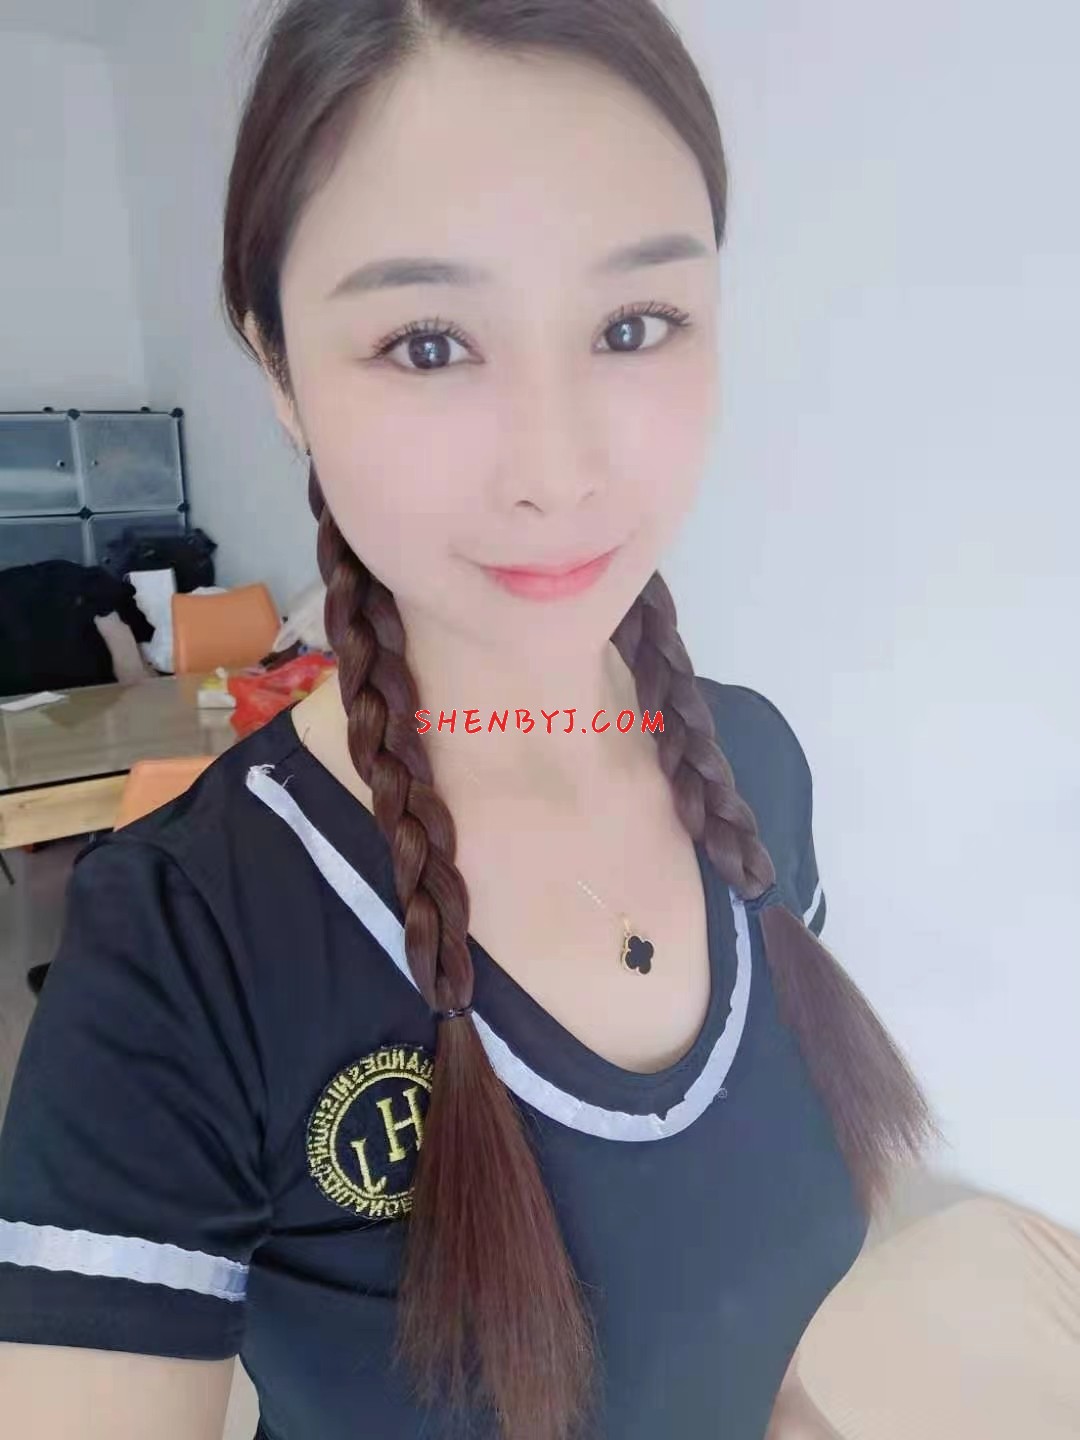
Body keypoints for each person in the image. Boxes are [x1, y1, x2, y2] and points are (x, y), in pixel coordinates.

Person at [0, 2, 938, 1437]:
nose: (556, 471)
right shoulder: (185, 949)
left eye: (633, 325)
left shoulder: (755, 769)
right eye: (430, 343)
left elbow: (755, 1369)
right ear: (278, 368)